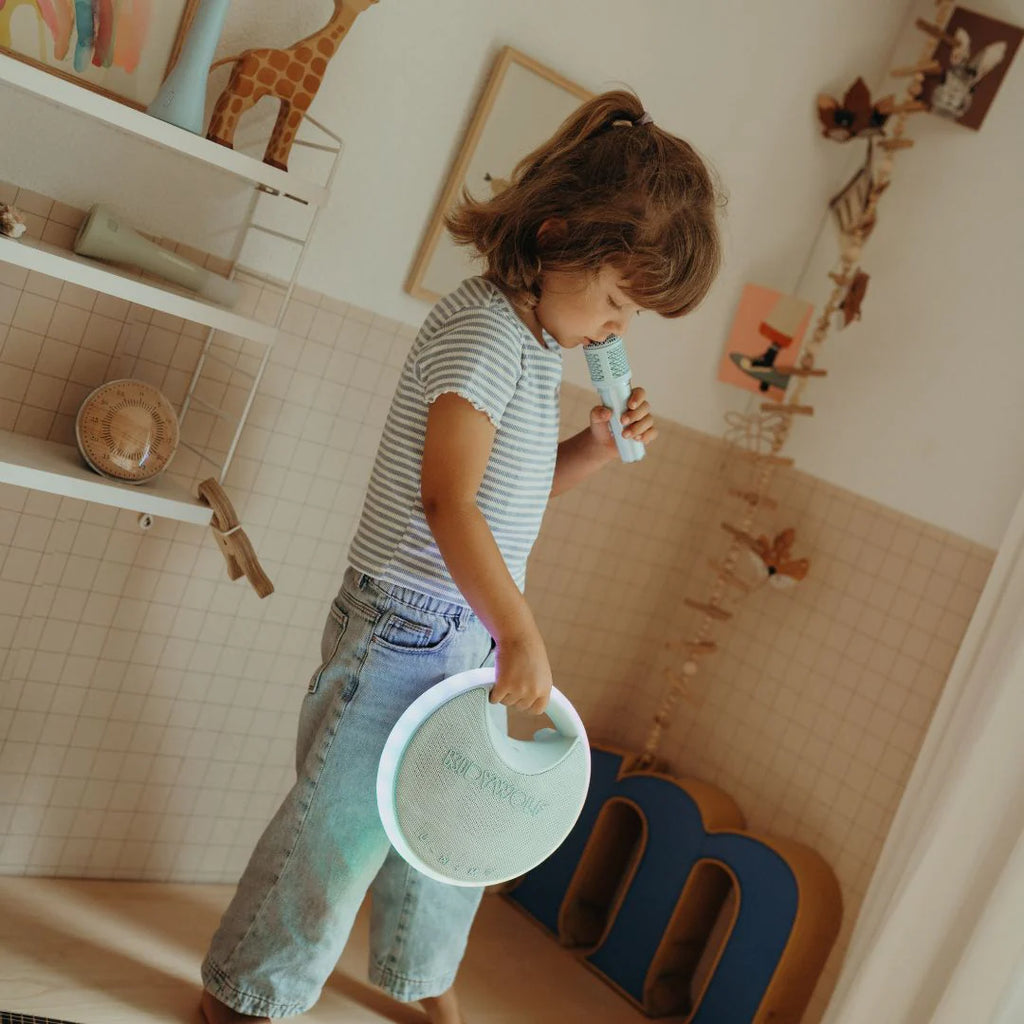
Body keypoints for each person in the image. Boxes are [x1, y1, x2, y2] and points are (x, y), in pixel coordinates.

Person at [198, 88, 722, 1024]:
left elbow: (500, 504)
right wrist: (521, 634)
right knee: (342, 827)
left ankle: (416, 975)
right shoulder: (484, 331)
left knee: (451, 821)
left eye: (631, 316)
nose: (616, 331)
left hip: (467, 632)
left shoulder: (533, 346)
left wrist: (595, 451)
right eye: (613, 302)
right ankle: (250, 993)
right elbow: (447, 506)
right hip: (406, 626)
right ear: (556, 234)